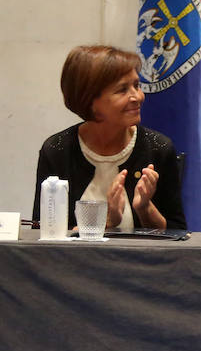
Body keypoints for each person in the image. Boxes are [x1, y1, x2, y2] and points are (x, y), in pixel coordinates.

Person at [33, 44, 186, 232]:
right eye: (122, 90)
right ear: (89, 100)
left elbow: (178, 234)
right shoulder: (57, 150)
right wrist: (108, 222)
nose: (137, 97)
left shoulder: (158, 149)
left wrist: (145, 208)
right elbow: (43, 231)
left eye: (136, 86)